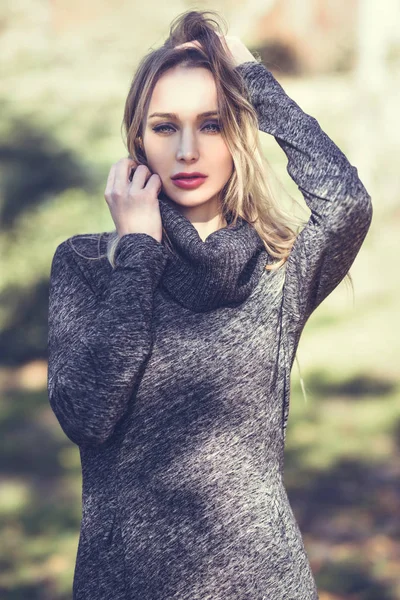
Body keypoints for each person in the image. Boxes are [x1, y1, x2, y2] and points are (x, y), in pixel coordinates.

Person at [47, 9, 373, 600]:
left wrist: (252, 75)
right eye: (166, 127)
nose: (189, 150)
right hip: (125, 585)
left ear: (239, 134)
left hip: (262, 583)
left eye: (213, 124)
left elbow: (346, 202)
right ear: (137, 141)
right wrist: (138, 256)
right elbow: (85, 415)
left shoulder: (278, 269)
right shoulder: (86, 266)